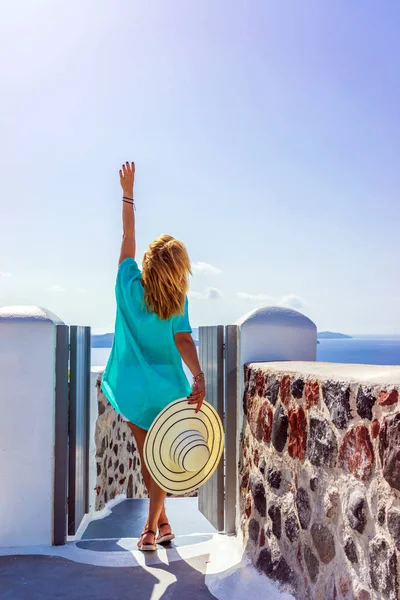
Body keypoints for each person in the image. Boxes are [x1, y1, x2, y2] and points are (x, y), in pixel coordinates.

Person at [101, 161, 206, 552]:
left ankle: (159, 527)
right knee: (157, 459)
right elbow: (183, 341)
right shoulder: (177, 300)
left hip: (130, 390)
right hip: (167, 390)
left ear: (148, 263)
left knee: (149, 456)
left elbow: (128, 233)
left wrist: (127, 192)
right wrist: (198, 377)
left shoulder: (127, 284)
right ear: (178, 270)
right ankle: (153, 527)